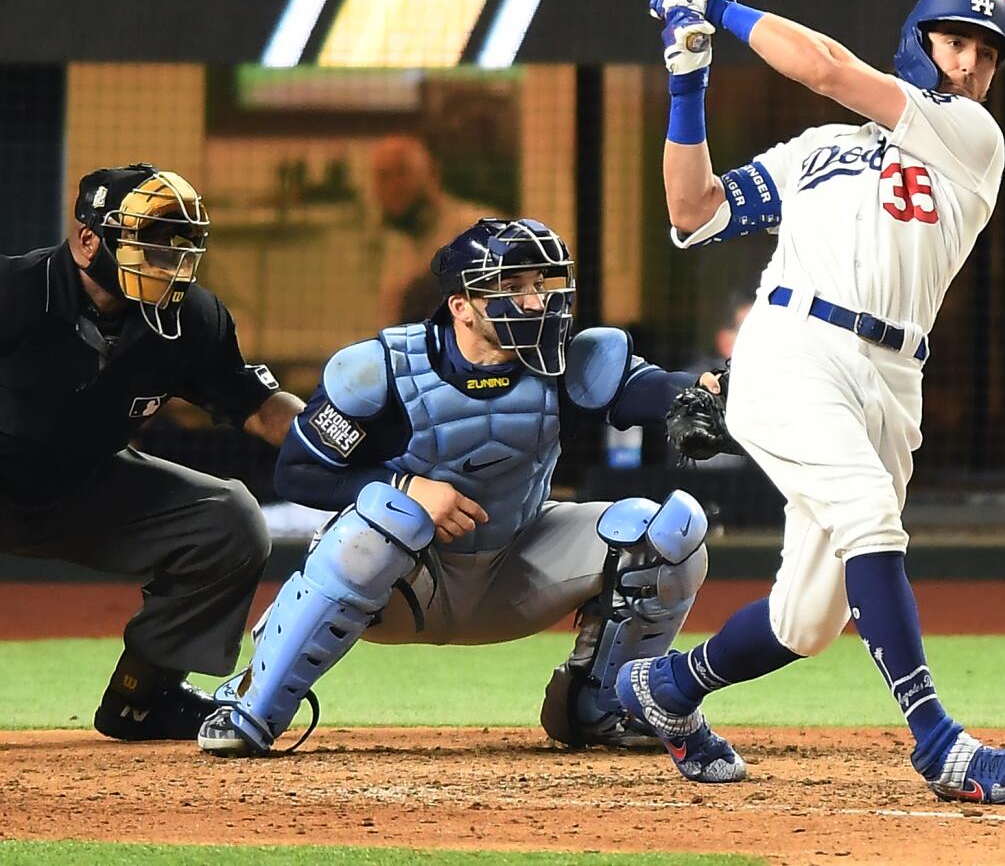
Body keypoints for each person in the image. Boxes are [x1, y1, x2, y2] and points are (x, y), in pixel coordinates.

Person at [608, 0, 1005, 803]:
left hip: (891, 377)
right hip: (791, 347)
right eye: (955, 43)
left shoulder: (972, 139)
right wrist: (687, 81)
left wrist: (722, 7)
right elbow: (691, 207)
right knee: (869, 521)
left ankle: (665, 688)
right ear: (918, 40)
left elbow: (827, 68)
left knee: (806, 622)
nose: (969, 65)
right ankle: (937, 742)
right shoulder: (816, 149)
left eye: (986, 55)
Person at [197, 216, 717, 758]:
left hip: (516, 567)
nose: (536, 302)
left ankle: (602, 705)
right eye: (513, 287)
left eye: (541, 284)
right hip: (404, 582)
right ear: (461, 305)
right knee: (387, 516)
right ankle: (255, 703)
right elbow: (297, 471)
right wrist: (406, 484)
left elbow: (654, 391)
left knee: (669, 533)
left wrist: (704, 395)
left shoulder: (568, 361)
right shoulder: (382, 369)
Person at [0, 163, 304, 741]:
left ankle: (146, 698)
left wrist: (335, 435)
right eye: (151, 240)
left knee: (227, 521)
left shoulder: (190, 318)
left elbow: (256, 405)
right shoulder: (13, 292)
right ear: (89, 240)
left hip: (86, 485)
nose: (168, 256)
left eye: (177, 241)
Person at [372, 134, 498, 326]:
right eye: (384, 176)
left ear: (432, 174)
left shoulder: (477, 230)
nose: (393, 188)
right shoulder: (396, 252)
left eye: (401, 173)